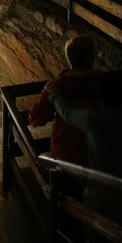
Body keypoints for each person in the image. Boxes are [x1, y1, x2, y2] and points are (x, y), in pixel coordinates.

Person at [45, 73, 122, 226]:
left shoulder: (93, 119)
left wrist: (53, 94)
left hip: (101, 186)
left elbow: (67, 113)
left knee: (97, 229)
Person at [28, 35, 99, 167]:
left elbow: (36, 119)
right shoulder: (103, 83)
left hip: (66, 152)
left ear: (68, 59)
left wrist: (34, 111)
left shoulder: (57, 86)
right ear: (91, 58)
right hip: (98, 152)